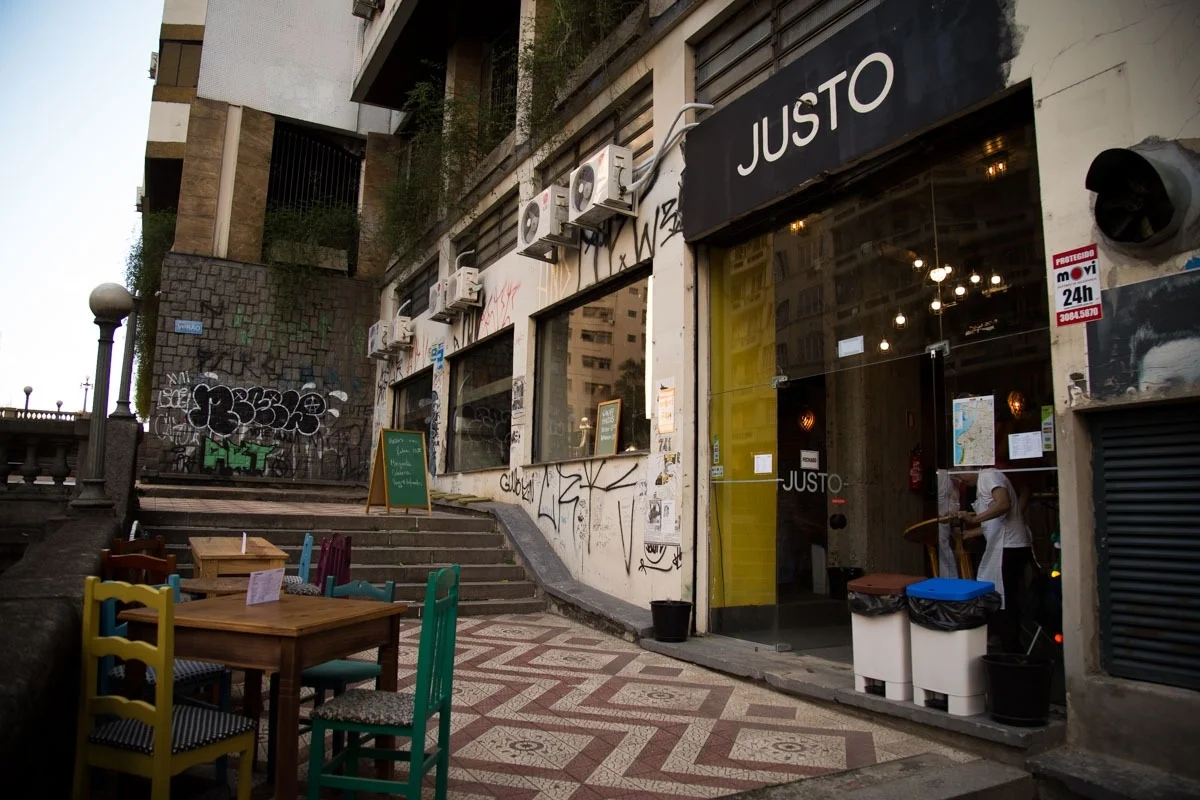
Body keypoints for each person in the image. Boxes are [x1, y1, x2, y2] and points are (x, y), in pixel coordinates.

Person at [957, 466, 1033, 652]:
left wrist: (975, 519)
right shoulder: (985, 480)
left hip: (1010, 546)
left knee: (1006, 598)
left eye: (960, 474)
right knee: (1000, 596)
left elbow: (1003, 504)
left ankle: (1012, 648)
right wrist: (972, 532)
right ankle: (1006, 642)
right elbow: (993, 523)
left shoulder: (989, 475)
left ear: (971, 466)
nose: (960, 480)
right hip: (1003, 545)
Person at [936, 469, 962, 578]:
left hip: (944, 523)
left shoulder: (954, 485)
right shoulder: (941, 476)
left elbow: (954, 503)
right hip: (938, 522)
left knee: (945, 552)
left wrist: (951, 513)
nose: (961, 481)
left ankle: (950, 580)